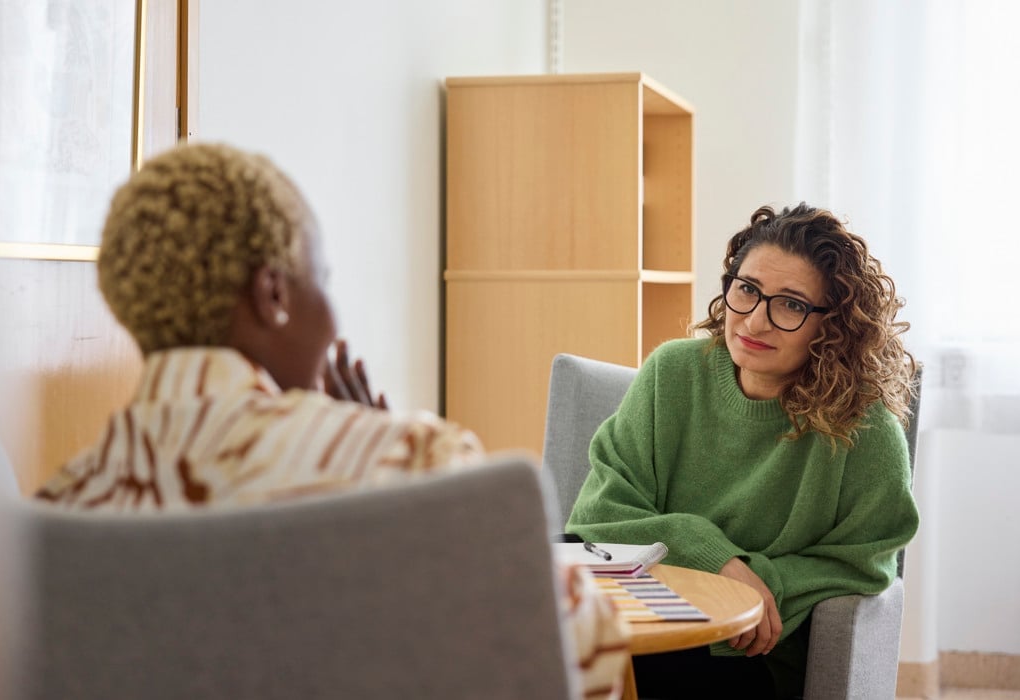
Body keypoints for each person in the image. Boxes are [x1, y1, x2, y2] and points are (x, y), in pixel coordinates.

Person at [33, 142, 629, 699]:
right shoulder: (412, 465)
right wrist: (392, 451)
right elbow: (575, 653)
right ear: (273, 294)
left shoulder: (51, 514)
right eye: (323, 280)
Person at [565, 203, 920, 698]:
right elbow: (599, 512)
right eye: (747, 290)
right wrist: (719, 560)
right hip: (634, 618)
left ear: (832, 325)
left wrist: (759, 584)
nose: (755, 322)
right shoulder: (672, 372)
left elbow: (864, 562)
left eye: (791, 304)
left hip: (746, 653)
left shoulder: (863, 430)